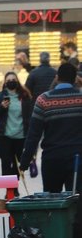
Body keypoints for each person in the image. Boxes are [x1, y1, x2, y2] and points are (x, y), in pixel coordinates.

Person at [20, 63, 82, 192]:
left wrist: (25, 161)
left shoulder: (44, 100)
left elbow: (34, 134)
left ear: (57, 77)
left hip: (52, 158)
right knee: (77, 199)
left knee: (52, 199)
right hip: (78, 158)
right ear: (75, 79)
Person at [0, 72, 33, 188]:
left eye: (13, 79)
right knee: (6, 164)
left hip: (21, 136)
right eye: (9, 80)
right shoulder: (0, 96)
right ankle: (9, 190)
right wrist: (2, 107)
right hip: (5, 136)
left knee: (17, 165)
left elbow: (29, 116)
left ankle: (14, 187)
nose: (11, 82)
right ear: (5, 83)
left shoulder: (24, 96)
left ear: (17, 81)